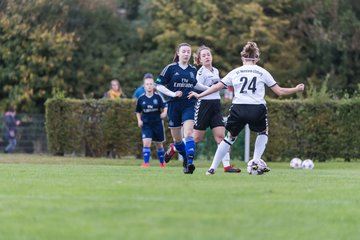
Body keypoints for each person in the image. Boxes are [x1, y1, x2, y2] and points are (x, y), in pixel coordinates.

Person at [188, 41, 305, 175]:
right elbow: (279, 92)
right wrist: (296, 89)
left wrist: (199, 94)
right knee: (263, 131)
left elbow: (216, 87)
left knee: (229, 137)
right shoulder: (262, 72)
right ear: (257, 59)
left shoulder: (235, 72)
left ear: (243, 58)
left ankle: (212, 168)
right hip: (257, 108)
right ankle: (255, 160)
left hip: (239, 108)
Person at [164, 45, 241, 173]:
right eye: (203, 55)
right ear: (199, 59)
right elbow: (194, 88)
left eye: (208, 54)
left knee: (221, 137)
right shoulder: (199, 73)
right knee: (195, 138)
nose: (207, 57)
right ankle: (175, 148)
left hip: (215, 105)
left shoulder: (215, 71)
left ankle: (227, 166)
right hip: (203, 106)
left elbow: (218, 86)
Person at [155, 42, 209, 174]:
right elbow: (159, 86)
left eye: (188, 52)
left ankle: (189, 162)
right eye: (183, 51)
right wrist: (173, 94)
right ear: (178, 53)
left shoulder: (192, 70)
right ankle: (178, 152)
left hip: (189, 104)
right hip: (174, 106)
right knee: (178, 140)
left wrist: (212, 88)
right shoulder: (170, 68)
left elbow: (196, 85)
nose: (186, 54)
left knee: (189, 134)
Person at [135, 74, 168, 168]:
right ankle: (146, 163)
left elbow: (165, 106)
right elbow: (137, 111)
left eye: (151, 84)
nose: (149, 86)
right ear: (144, 86)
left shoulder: (158, 97)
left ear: (153, 85)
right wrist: (139, 120)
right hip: (146, 124)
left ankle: (162, 163)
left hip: (157, 124)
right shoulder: (141, 98)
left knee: (159, 145)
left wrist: (164, 113)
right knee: (146, 143)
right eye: (147, 84)